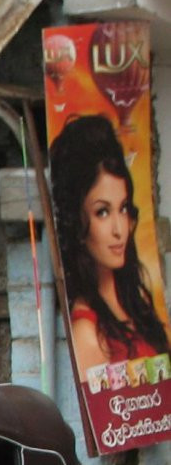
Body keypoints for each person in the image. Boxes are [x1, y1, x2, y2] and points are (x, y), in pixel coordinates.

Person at [48, 114, 171, 382]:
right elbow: (102, 410)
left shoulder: (138, 302)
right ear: (77, 223)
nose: (119, 229)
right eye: (102, 212)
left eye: (123, 208)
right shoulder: (87, 332)